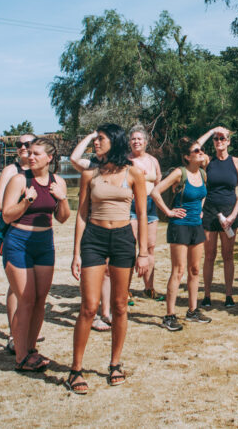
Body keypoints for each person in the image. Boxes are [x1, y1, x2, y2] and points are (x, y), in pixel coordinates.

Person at [65, 125, 149, 394]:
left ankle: (115, 363)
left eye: (100, 139)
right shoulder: (90, 173)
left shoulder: (133, 173)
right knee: (89, 306)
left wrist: (144, 252)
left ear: (114, 141)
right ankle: (75, 369)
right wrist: (76, 252)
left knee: (120, 305)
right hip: (94, 238)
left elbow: (143, 214)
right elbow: (81, 213)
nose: (95, 144)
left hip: (124, 237)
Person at [0, 138, 70, 371]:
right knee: (26, 299)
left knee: (40, 299)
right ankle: (21, 357)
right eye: (29, 153)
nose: (30, 157)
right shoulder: (19, 180)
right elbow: (7, 215)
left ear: (49, 158)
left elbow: (63, 217)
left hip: (44, 243)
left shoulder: (58, 181)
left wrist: (62, 198)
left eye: (36, 154)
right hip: (18, 243)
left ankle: (30, 349)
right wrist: (26, 201)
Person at [150, 137, 212, 331]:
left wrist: (200, 210)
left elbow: (202, 195)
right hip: (179, 226)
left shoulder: (202, 174)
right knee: (178, 270)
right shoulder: (179, 173)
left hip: (197, 225)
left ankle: (192, 310)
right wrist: (169, 213)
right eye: (196, 151)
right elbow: (155, 191)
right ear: (187, 157)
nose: (201, 153)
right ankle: (169, 315)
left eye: (201, 150)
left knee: (195, 270)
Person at [0, 132, 34, 354]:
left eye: (27, 144)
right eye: (19, 145)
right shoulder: (11, 171)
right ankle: (13, 334)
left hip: (36, 233)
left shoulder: (39, 169)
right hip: (13, 231)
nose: (22, 147)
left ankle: (24, 329)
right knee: (16, 284)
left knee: (29, 283)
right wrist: (22, 201)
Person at [198, 127, 238, 309]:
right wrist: (211, 131)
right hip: (210, 212)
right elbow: (195, 147)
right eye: (216, 139)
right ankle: (207, 295)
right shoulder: (207, 161)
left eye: (222, 138)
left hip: (230, 212)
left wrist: (233, 215)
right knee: (209, 255)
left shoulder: (237, 163)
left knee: (228, 255)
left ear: (229, 141)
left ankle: (228, 295)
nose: (219, 141)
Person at [69, 131, 113, 332]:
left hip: (112, 225)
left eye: (100, 140)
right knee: (92, 270)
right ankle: (92, 313)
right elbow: (74, 159)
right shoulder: (92, 166)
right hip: (91, 225)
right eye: (95, 141)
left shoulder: (119, 168)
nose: (96, 143)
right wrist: (89, 136)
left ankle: (106, 312)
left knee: (107, 270)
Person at [128, 127, 162, 300]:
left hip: (150, 204)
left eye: (139, 139)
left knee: (150, 246)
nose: (136, 142)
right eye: (133, 139)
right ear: (129, 142)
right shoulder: (126, 161)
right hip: (131, 205)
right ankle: (125, 290)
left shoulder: (153, 160)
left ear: (146, 142)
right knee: (130, 245)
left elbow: (158, 181)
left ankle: (149, 287)